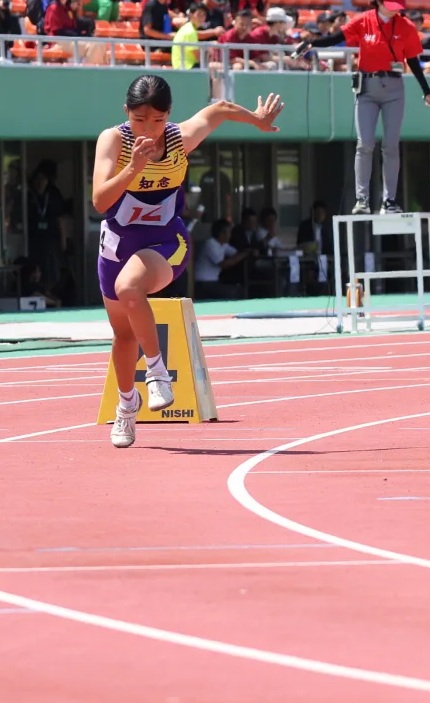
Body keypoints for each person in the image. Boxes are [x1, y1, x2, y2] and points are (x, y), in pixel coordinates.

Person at [88, 74, 284, 446]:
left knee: (129, 289)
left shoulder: (179, 138)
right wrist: (133, 167)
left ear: (169, 116)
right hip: (117, 244)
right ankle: (127, 407)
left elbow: (220, 110)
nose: (150, 129)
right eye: (140, 120)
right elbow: (99, 200)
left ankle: (158, 372)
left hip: (165, 242)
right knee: (123, 334)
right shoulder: (113, 140)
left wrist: (257, 120)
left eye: (159, 121)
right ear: (126, 112)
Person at [342, 0, 430, 213]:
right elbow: (339, 36)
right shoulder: (364, 20)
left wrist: (427, 91)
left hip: (394, 88)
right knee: (364, 144)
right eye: (391, 4)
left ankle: (390, 200)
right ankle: (362, 200)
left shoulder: (406, 26)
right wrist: (312, 43)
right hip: (367, 87)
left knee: (391, 145)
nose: (395, 10)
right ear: (379, 1)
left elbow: (414, 61)